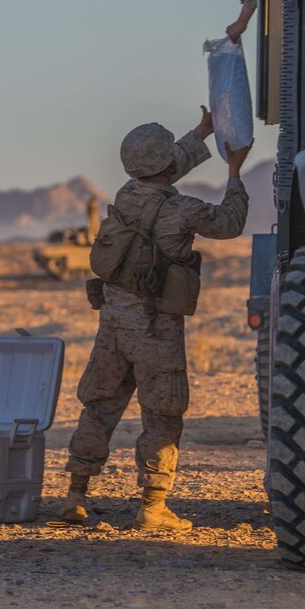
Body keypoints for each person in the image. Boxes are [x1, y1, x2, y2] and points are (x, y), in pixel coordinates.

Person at [60, 108, 252, 532]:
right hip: (155, 328)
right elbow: (231, 222)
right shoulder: (183, 209)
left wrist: (200, 133)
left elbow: (164, 169)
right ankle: (153, 506)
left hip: (113, 325)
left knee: (100, 405)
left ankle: (75, 495)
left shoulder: (128, 194)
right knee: (162, 414)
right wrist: (235, 173)